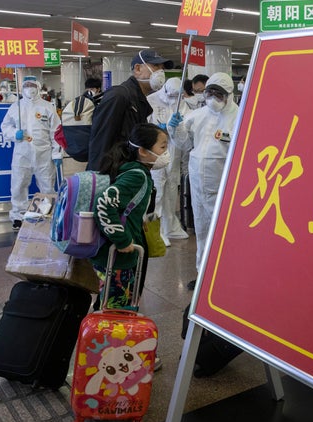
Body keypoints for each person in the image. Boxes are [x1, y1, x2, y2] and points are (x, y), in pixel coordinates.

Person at [91, 122, 168, 370]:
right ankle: (113, 361)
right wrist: (123, 240)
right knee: (119, 308)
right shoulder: (136, 175)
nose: (166, 152)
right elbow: (104, 205)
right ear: (143, 151)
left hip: (115, 257)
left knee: (111, 302)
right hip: (121, 258)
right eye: (162, 146)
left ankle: (106, 351)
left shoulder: (135, 170)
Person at [167, 72, 239, 290]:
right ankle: (203, 275)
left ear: (229, 95)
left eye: (218, 94)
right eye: (210, 92)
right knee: (202, 230)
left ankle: (228, 276)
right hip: (198, 186)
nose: (212, 98)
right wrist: (174, 128)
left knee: (225, 234)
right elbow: (183, 144)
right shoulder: (198, 115)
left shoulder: (239, 118)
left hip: (224, 188)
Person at [86, 49, 173, 171]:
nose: (160, 72)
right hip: (112, 176)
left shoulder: (140, 100)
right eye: (155, 66)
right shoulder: (119, 96)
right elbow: (100, 142)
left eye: (162, 68)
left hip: (128, 172)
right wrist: (99, 179)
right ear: (137, 69)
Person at [0, 75, 63, 231]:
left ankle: (46, 214)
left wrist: (57, 154)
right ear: (22, 88)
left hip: (44, 154)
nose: (29, 88)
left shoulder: (48, 107)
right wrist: (15, 133)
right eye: (26, 85)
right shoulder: (16, 107)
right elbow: (5, 127)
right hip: (22, 153)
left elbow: (56, 132)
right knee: (18, 184)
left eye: (32, 85)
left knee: (47, 185)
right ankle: (18, 216)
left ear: (38, 86)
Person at [146, 77, 189, 244]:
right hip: (156, 150)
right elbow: (144, 125)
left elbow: (186, 121)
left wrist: (176, 126)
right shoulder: (151, 100)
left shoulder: (181, 101)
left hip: (174, 149)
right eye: (171, 96)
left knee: (172, 188)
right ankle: (156, 230)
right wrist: (158, 129)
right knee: (157, 190)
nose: (173, 100)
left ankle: (170, 226)